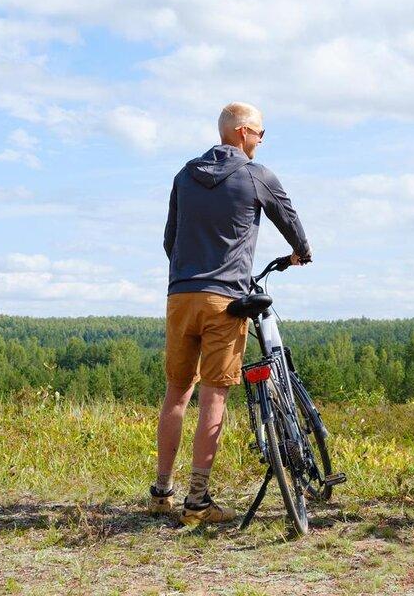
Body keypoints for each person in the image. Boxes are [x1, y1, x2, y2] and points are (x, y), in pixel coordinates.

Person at [151, 102, 311, 525]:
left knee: (176, 392)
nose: (261, 139)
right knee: (214, 396)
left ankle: (161, 491)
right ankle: (198, 501)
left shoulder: (184, 176)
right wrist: (302, 253)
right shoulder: (256, 175)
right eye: (259, 132)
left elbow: (170, 239)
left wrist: (190, 271)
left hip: (180, 296)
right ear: (241, 132)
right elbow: (289, 220)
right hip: (225, 301)